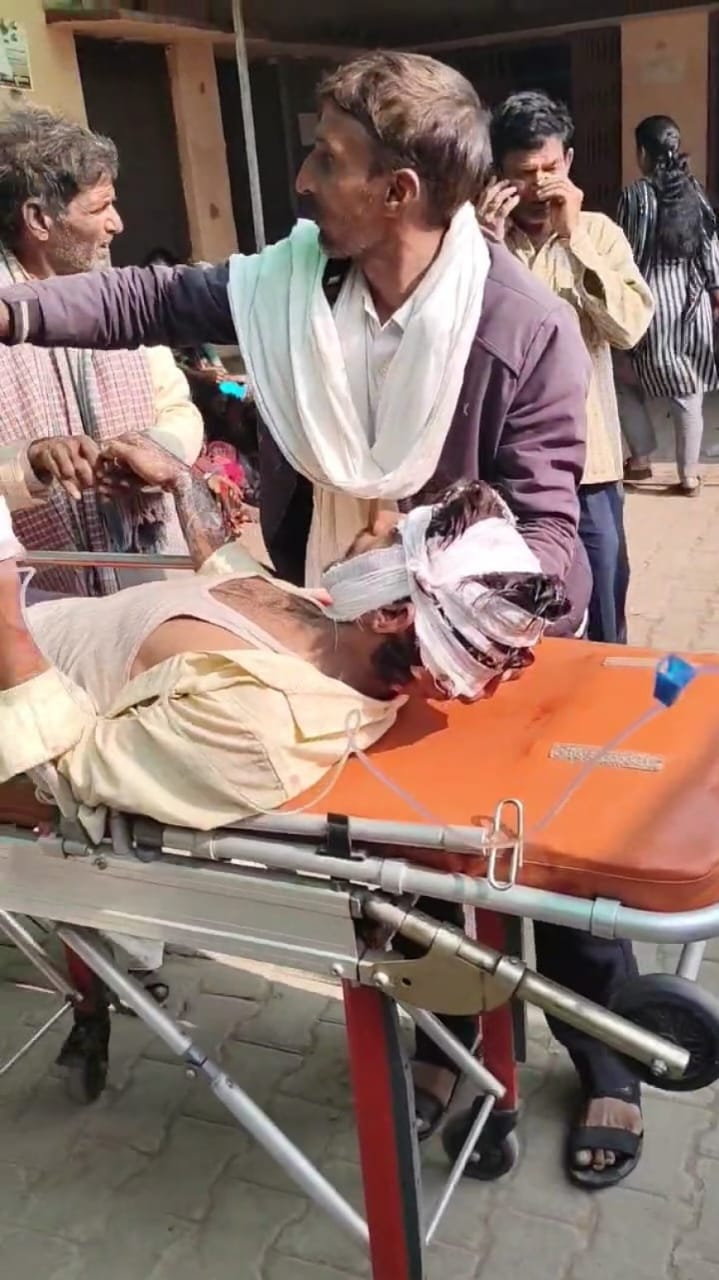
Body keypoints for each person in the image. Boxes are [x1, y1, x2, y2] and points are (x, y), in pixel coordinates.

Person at [0, 51, 636, 1185]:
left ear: (398, 191)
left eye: (325, 159)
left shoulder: (519, 327)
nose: (300, 180)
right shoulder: (295, 281)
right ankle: (444, 1053)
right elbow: (148, 298)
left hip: (457, 641)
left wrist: (424, 566)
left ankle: (607, 1060)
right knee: (404, 877)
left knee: (536, 856)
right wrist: (14, 307)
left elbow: (551, 542)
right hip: (325, 632)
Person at [0, 438, 566, 825]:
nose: (384, 517)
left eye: (400, 538)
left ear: (390, 615)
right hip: (40, 615)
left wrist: (5, 594)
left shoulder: (258, 726)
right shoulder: (334, 631)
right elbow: (231, 576)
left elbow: (64, 770)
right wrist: (181, 480)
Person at [0, 107, 203, 597]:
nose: (117, 224)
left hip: (147, 579)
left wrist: (150, 450)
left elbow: (178, 409)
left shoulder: (121, 300)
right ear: (38, 219)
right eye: (99, 208)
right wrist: (32, 461)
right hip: (38, 599)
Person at [479, 91, 654, 647]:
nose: (538, 186)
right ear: (496, 173)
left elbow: (630, 328)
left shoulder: (599, 234)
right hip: (504, 473)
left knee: (604, 613)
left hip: (590, 466)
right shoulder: (474, 243)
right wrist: (483, 251)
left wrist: (575, 240)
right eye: (522, 173)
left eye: (550, 169)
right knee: (511, 617)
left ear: (569, 162)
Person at [617, 115, 719, 495]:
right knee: (688, 388)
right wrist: (715, 291)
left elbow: (626, 253)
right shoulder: (695, 190)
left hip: (650, 302)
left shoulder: (635, 196)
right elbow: (709, 245)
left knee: (622, 379)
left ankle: (641, 458)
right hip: (693, 301)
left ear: (643, 152)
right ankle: (689, 475)